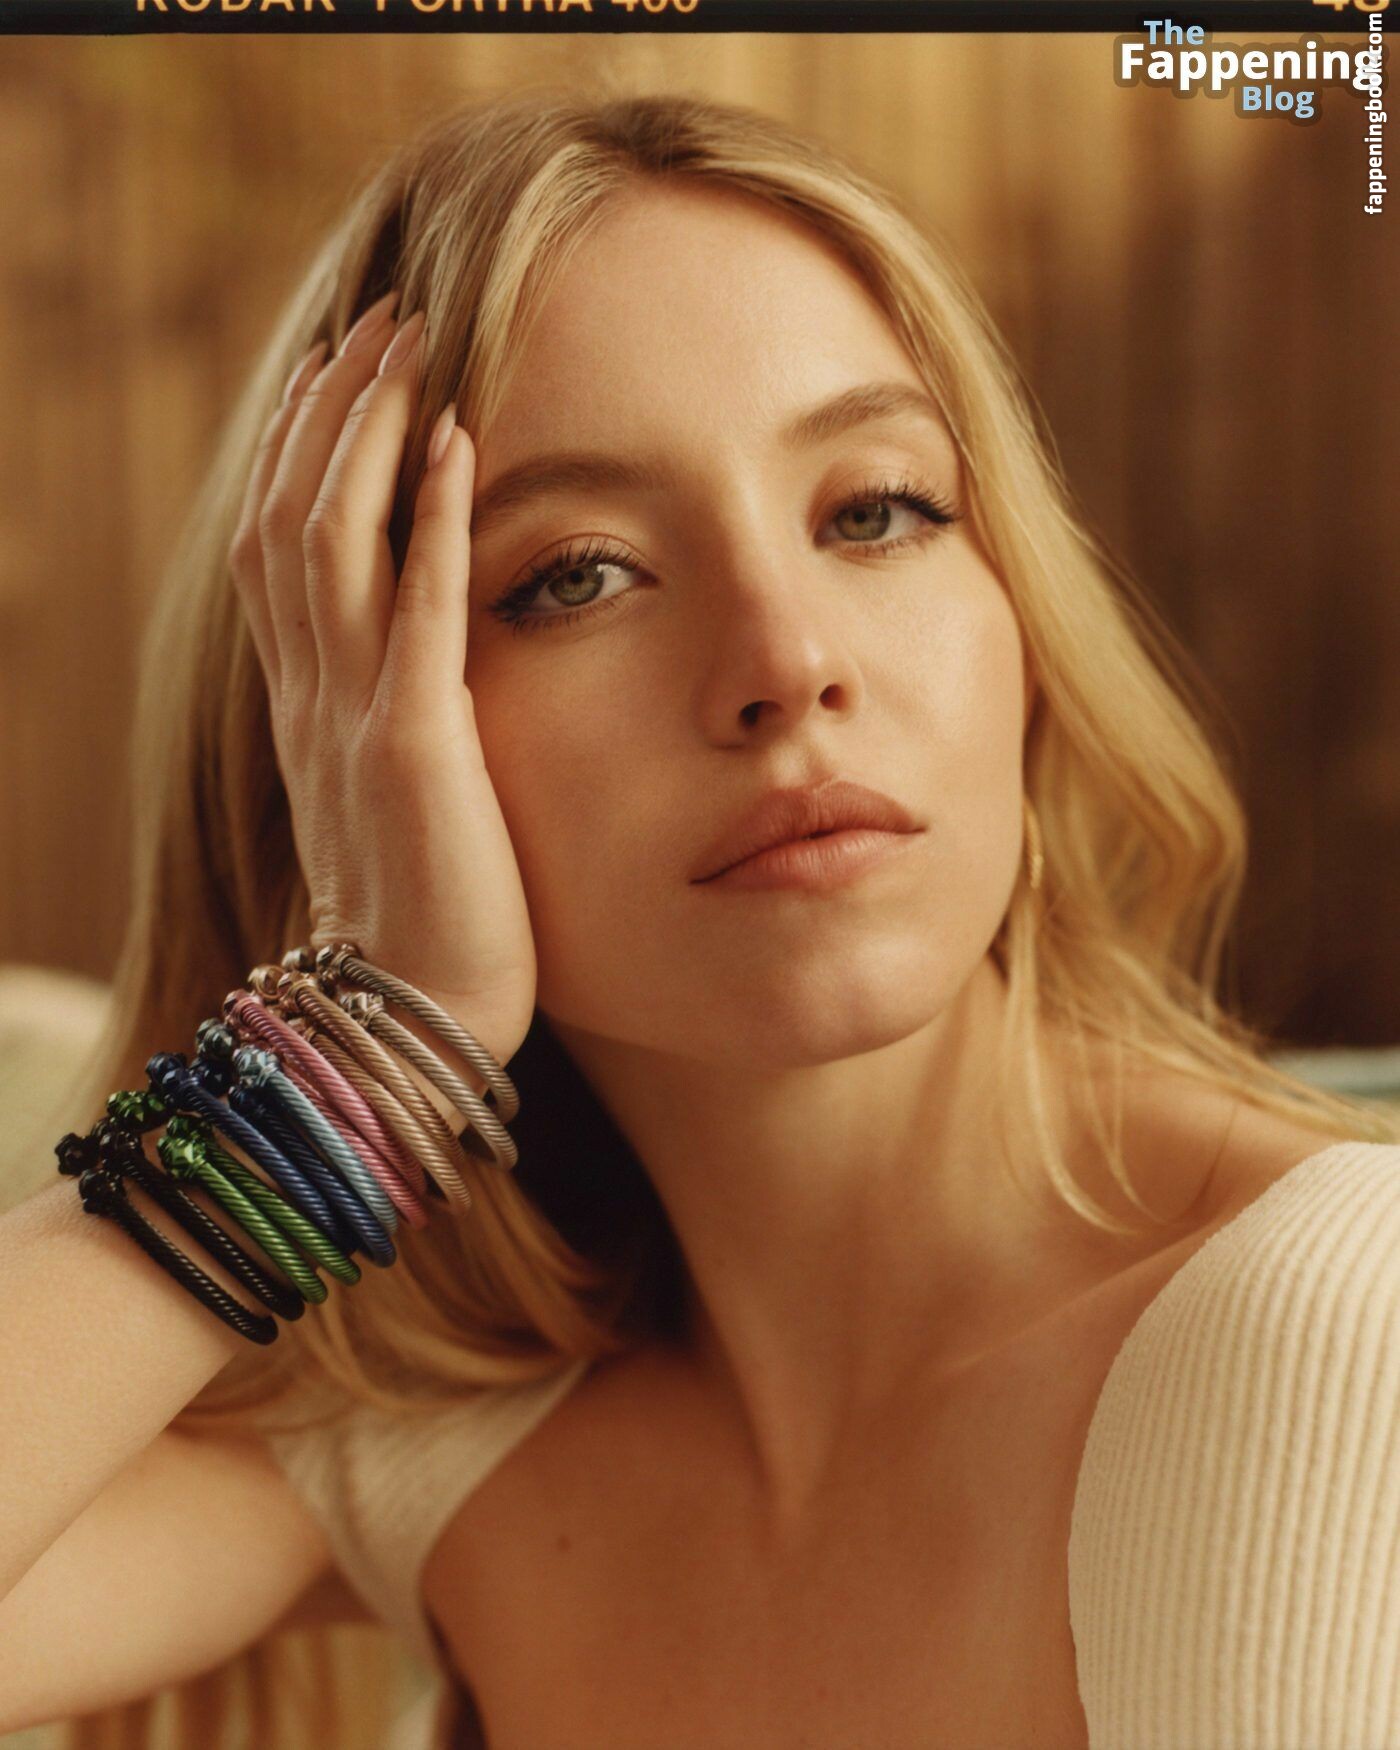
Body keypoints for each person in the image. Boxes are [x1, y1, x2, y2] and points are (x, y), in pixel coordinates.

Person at [2, 88, 1398, 1750]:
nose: (788, 659)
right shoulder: (457, 1448)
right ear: (345, 723)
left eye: (874, 509)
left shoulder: (1335, 1321)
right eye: (578, 574)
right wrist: (357, 1055)